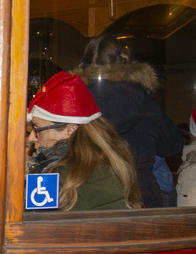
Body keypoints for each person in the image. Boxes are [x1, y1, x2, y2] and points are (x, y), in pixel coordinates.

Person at [71, 37, 184, 208]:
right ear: (125, 61)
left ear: (83, 65)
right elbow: (172, 145)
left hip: (91, 195)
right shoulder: (146, 102)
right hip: (142, 195)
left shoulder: (75, 101)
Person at [25, 72, 140, 211]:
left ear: (71, 129)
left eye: (37, 129)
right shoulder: (107, 161)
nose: (31, 138)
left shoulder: (61, 176)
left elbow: (38, 225)